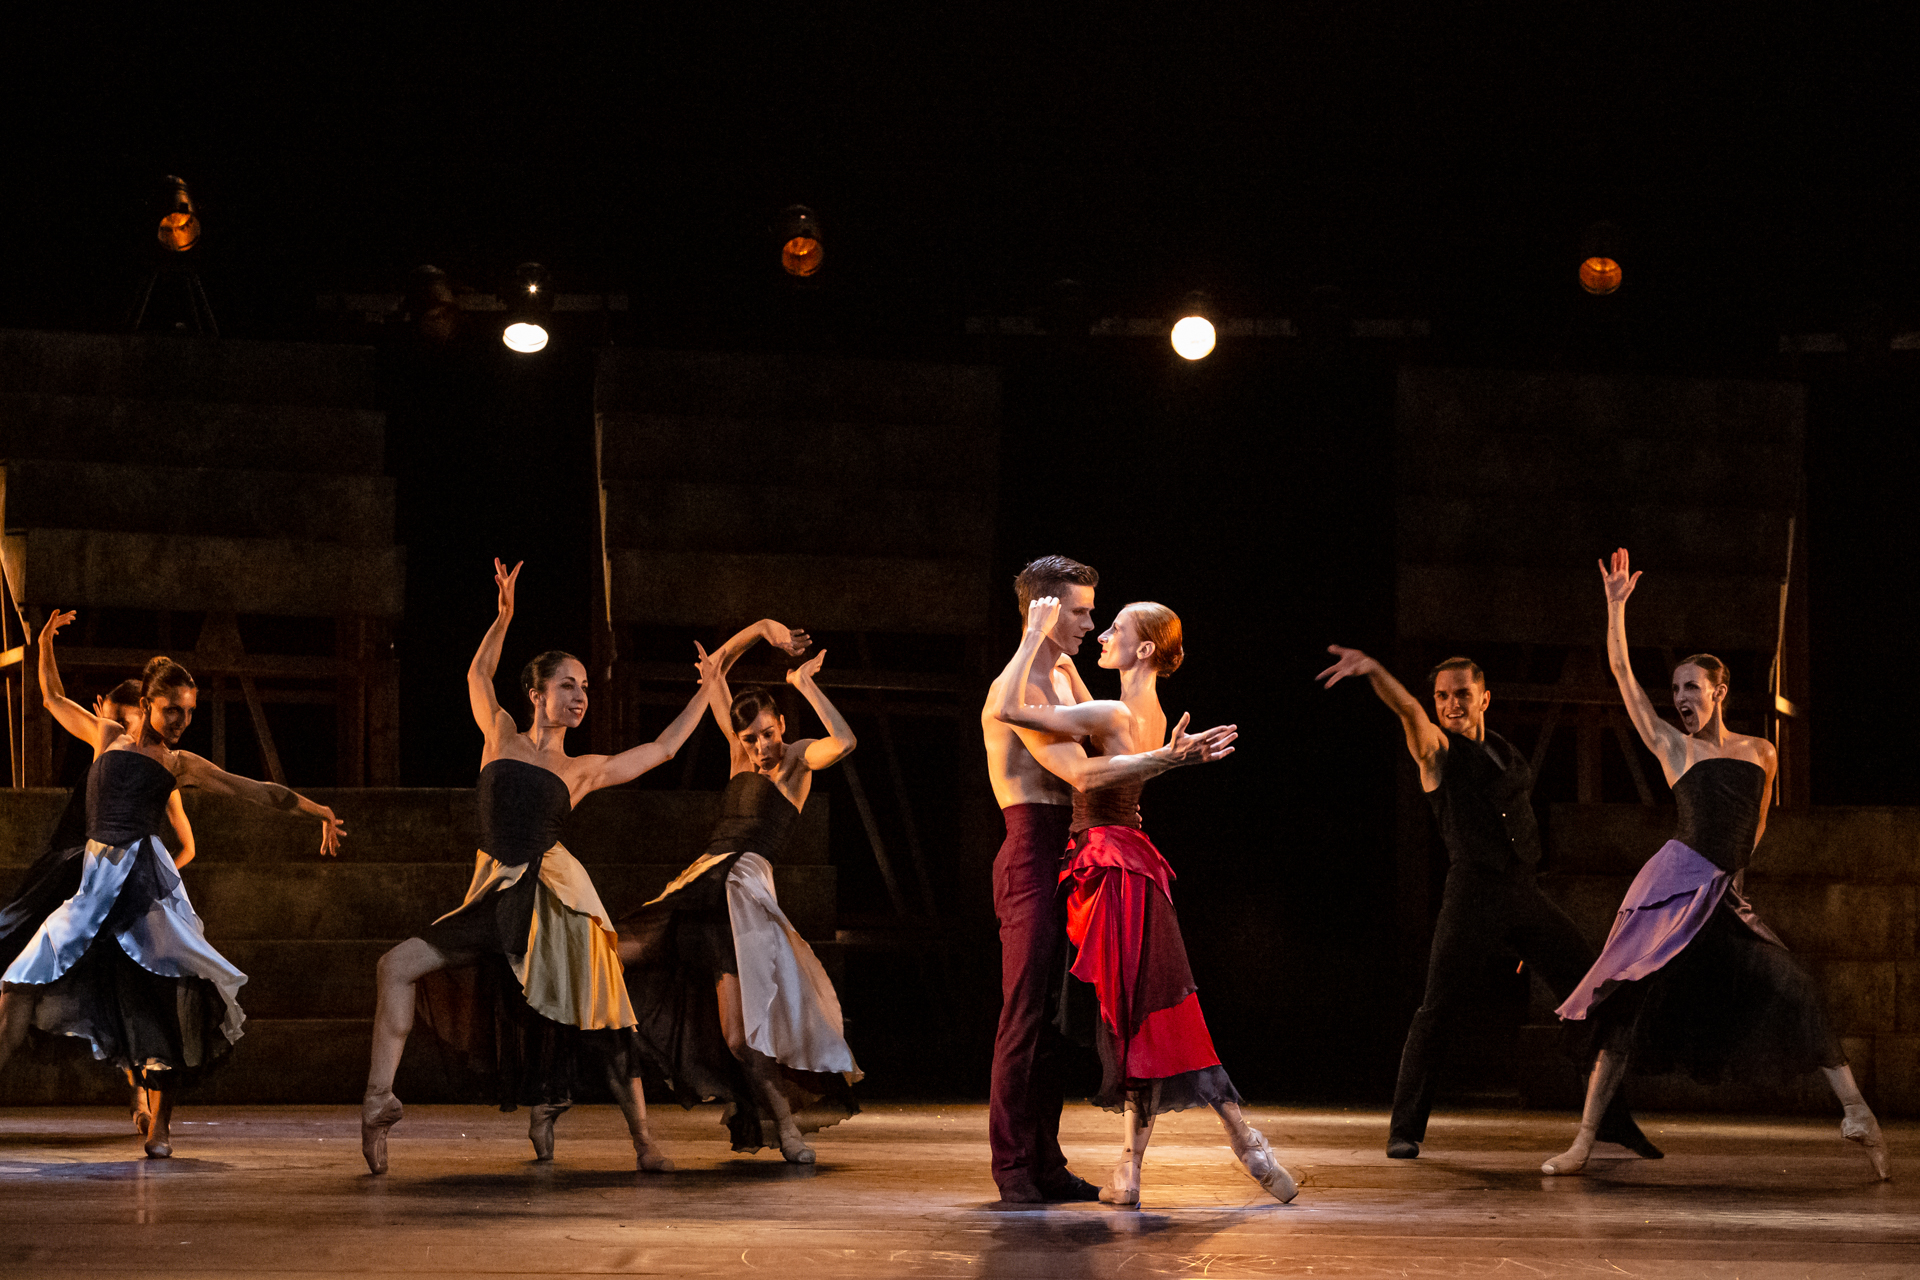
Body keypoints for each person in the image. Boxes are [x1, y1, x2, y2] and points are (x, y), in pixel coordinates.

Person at [359, 559, 718, 1175]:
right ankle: (378, 1101)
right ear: (536, 693)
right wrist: (503, 618)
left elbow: (661, 749)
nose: (580, 697)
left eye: (584, 688)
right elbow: (478, 672)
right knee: (396, 965)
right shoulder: (499, 732)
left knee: (606, 1010)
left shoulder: (581, 770)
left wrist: (710, 688)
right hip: (496, 892)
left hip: (555, 898)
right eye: (568, 685)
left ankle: (643, 1141)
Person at [1543, 549, 1891, 1180]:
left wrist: (1732, 888)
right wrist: (1617, 608)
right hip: (1674, 891)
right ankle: (1584, 1142)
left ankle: (1857, 1113)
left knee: (1794, 984)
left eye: (1692, 688)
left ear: (1720, 692)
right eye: (1675, 689)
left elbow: (1752, 831)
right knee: (1625, 1005)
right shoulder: (1673, 749)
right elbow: (1622, 676)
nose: (1681, 698)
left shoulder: (1762, 752)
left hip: (1720, 898)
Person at [1, 610, 343, 1158]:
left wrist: (316, 809)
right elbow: (51, 699)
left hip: (140, 881)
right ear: (146, 705)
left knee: (172, 985)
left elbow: (255, 790)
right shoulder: (108, 737)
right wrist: (42, 644)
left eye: (188, 712)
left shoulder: (178, 762)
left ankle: (161, 1129)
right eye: (171, 710)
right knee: (18, 982)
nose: (181, 720)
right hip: (92, 886)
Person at [992, 595, 1291, 1208]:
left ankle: (1163, 1161)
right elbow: (1069, 680)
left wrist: (1032, 635)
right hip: (1131, 857)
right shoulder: (1140, 707)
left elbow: (1008, 708)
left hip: (1109, 862)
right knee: (1144, 1006)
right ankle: (1234, 1146)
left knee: (1133, 1010)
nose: (1102, 633)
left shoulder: (1108, 711)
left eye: (1117, 628)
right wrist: (1054, 642)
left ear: (1145, 648)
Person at [1318, 645, 1659, 1162]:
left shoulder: (1503, 750)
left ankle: (1610, 1121)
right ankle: (1405, 1128)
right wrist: (1374, 672)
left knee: (1593, 993)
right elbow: (1409, 710)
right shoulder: (1436, 751)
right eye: (1443, 697)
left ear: (1484, 698)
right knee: (1437, 1008)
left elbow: (1518, 822)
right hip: (1473, 892)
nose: (1451, 704)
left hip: (1522, 891)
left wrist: (1522, 929)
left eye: (1462, 695)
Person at [618, 619, 862, 1164]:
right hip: (699, 886)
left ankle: (786, 1129)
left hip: (742, 893)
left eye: (767, 734)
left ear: (781, 724)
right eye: (749, 738)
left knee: (738, 1038)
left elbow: (845, 741)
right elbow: (713, 671)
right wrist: (761, 628)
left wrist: (804, 682)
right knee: (605, 960)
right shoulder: (737, 752)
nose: (759, 747)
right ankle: (563, 1096)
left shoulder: (798, 761)